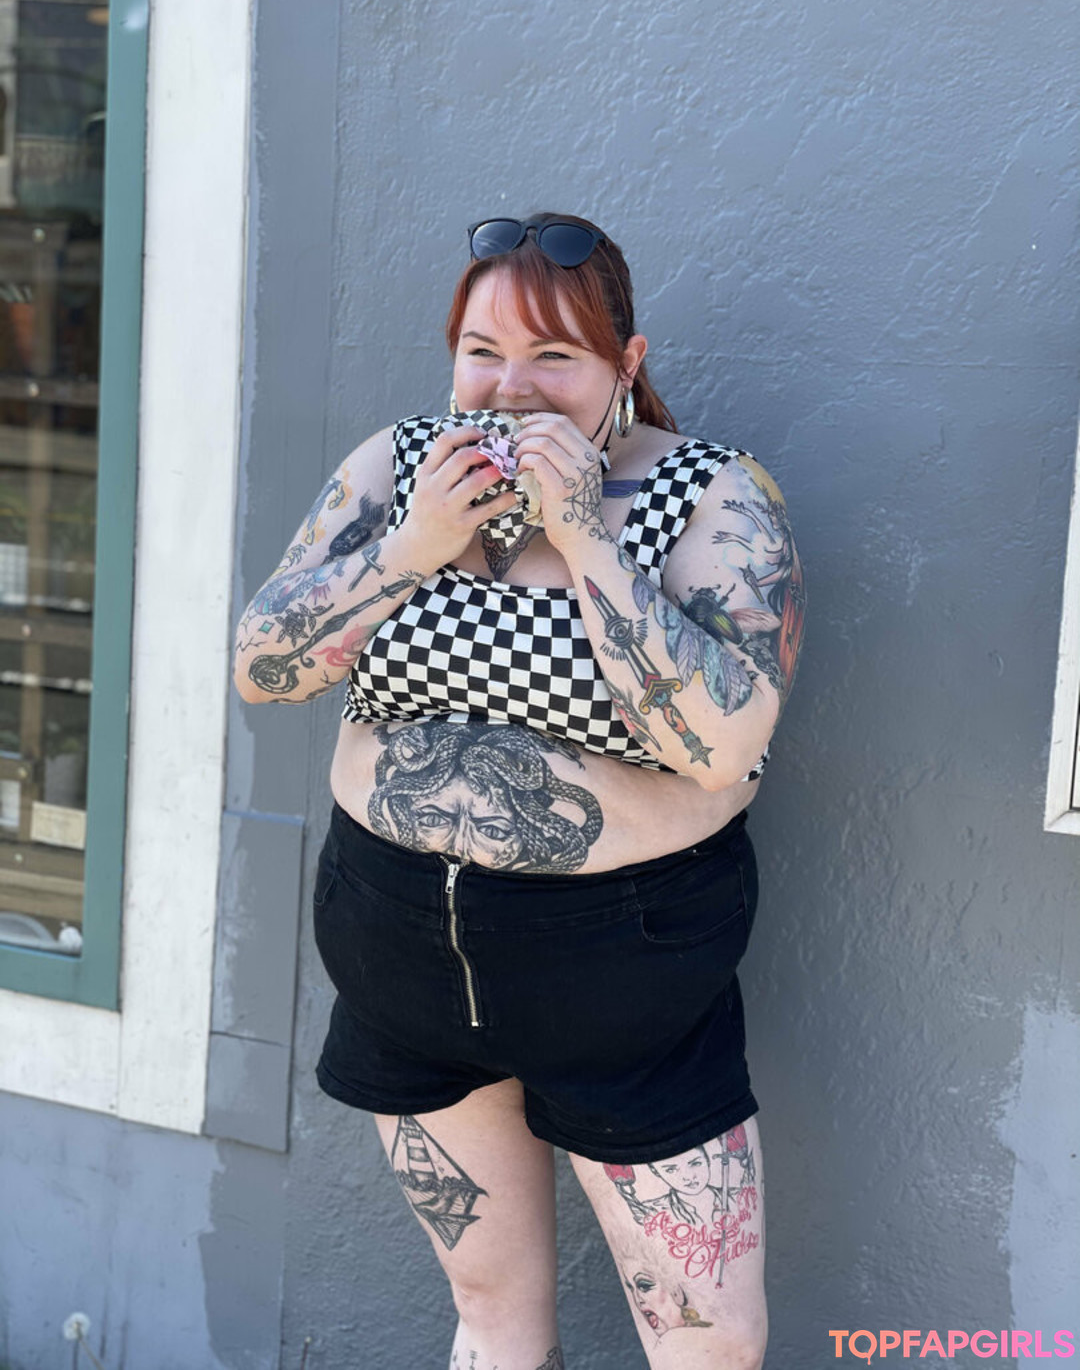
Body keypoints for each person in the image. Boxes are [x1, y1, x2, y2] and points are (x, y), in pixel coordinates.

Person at [234, 213, 805, 1370]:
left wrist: (585, 536)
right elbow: (262, 668)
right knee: (491, 1313)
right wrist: (413, 545)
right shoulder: (394, 468)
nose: (511, 388)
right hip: (400, 949)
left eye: (555, 356)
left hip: (620, 972)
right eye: (482, 351)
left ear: (625, 364)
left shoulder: (713, 496)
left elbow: (724, 746)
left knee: (710, 1345)